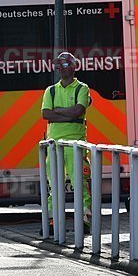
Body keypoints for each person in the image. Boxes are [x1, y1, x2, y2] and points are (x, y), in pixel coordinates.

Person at [42, 52, 92, 232]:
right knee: (53, 185)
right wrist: (68, 113)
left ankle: (85, 222)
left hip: (75, 144)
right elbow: (45, 114)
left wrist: (58, 112)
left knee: (81, 184)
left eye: (64, 65)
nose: (60, 69)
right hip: (54, 144)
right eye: (58, 66)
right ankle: (52, 223)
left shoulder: (82, 88)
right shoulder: (51, 90)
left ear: (73, 67)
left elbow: (79, 111)